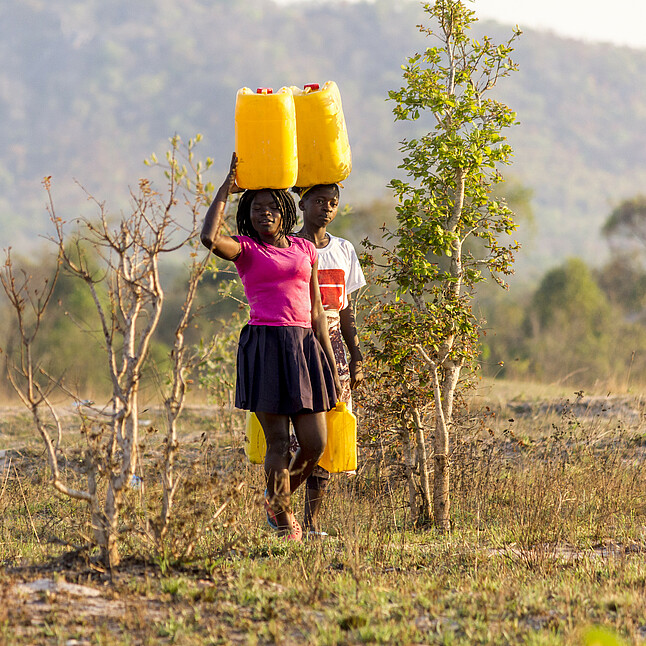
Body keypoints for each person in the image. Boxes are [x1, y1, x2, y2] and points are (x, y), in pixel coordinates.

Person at [200, 154, 341, 541]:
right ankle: (282, 516)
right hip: (265, 345)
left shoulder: (305, 249)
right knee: (278, 441)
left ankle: (275, 500)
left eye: (270, 209)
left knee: (315, 443)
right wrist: (226, 190)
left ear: (283, 212)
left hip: (305, 347)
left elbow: (316, 310)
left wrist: (330, 365)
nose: (264, 215)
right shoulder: (246, 249)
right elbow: (210, 238)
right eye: (257, 209)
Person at [293, 183, 366, 536]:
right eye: (319, 201)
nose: (326, 208)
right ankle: (279, 510)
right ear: (302, 202)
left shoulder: (343, 250)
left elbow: (348, 311)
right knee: (300, 432)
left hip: (334, 344)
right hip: (297, 341)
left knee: (331, 427)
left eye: (333, 203)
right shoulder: (288, 246)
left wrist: (356, 356)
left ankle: (311, 522)